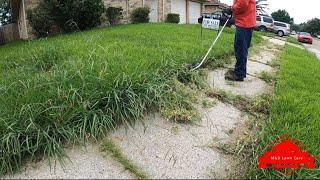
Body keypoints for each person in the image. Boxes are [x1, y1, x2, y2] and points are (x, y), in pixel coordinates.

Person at [225, 0, 257, 81]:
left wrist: (232, 9)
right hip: (245, 21)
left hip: (245, 22)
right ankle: (239, 71)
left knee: (240, 48)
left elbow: (243, 4)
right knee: (241, 48)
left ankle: (239, 74)